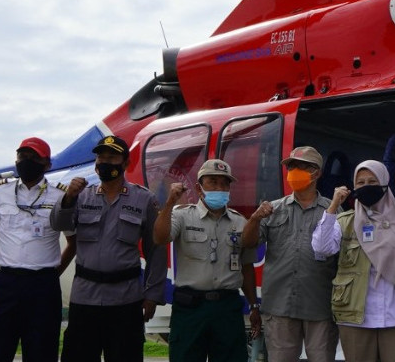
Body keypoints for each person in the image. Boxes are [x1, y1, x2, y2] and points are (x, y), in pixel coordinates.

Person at [50, 135, 167, 362]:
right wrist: (68, 198)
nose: (104, 162)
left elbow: (157, 249)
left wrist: (152, 295)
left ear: (125, 163)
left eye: (111, 157)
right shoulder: (81, 196)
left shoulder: (144, 199)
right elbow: (58, 224)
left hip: (126, 299)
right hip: (85, 298)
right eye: (101, 157)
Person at [312, 160, 395, 362]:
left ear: (385, 183)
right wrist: (333, 206)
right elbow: (321, 248)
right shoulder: (345, 221)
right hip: (355, 319)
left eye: (372, 181)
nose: (366, 186)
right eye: (360, 183)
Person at [0, 137, 77, 362]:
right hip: (8, 282)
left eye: (34, 157)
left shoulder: (60, 196)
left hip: (43, 288)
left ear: (47, 164)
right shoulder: (1, 192)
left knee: (41, 352)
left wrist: (54, 272)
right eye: (22, 156)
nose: (26, 161)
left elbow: (73, 242)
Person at [153, 159, 261, 362]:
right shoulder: (182, 215)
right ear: (199, 187)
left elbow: (246, 267)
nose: (219, 188)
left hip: (227, 308)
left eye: (225, 183)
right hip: (190, 309)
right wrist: (169, 204)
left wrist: (254, 305)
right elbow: (160, 238)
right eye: (213, 182)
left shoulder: (240, 222)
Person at [239, 146, 339, 362]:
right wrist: (255, 219)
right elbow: (247, 243)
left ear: (317, 173)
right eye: (292, 166)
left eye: (303, 167)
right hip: (279, 306)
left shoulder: (333, 211)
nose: (295, 171)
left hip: (320, 307)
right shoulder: (272, 209)